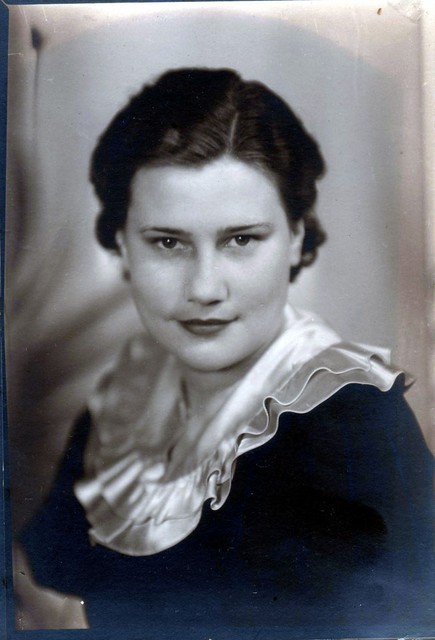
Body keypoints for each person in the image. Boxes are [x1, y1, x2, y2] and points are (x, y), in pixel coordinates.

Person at [16, 67, 433, 638]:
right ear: (121, 247)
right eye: (168, 242)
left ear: (297, 240)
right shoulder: (120, 405)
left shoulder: (353, 426)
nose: (205, 288)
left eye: (241, 240)